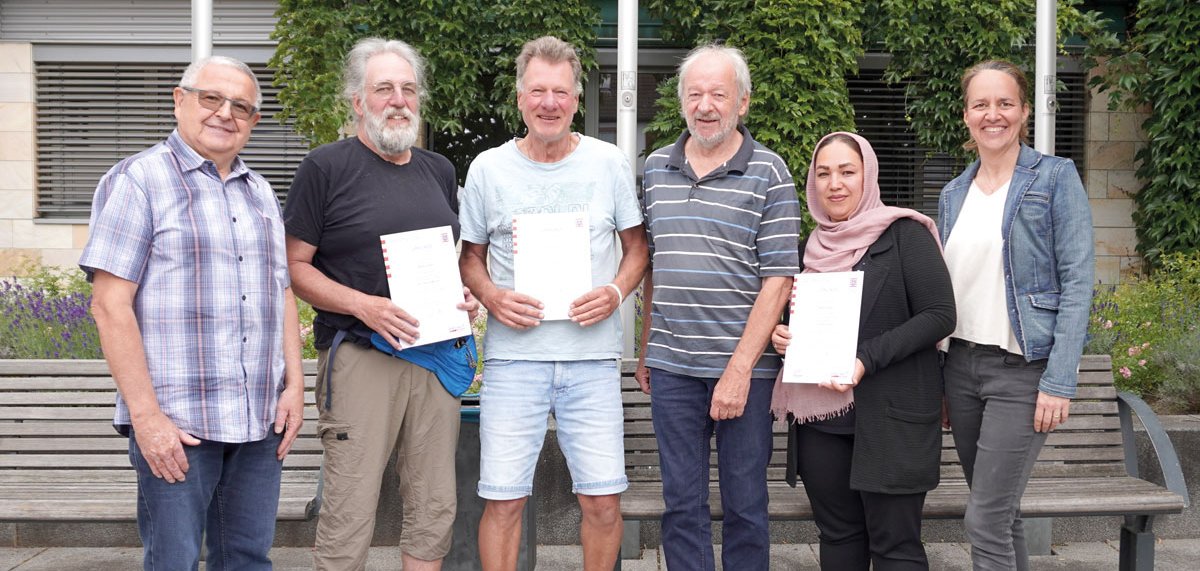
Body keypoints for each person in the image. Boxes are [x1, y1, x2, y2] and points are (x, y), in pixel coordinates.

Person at [81, 55, 305, 570]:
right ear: (180, 100)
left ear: (253, 123)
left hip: (257, 421)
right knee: (173, 561)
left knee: (247, 559)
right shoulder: (138, 182)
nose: (226, 113)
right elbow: (109, 306)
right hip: (180, 425)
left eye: (242, 107)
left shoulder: (261, 192)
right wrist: (147, 419)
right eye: (212, 98)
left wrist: (294, 386)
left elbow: (283, 292)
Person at [283, 38, 477, 571]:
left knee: (434, 503)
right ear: (357, 101)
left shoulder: (438, 169)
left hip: (434, 357)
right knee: (350, 506)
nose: (398, 100)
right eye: (384, 88)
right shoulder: (324, 168)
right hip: (362, 355)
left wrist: (461, 298)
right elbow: (294, 266)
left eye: (408, 89)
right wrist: (364, 305)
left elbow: (447, 261)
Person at [458, 35, 649, 571]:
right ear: (519, 98)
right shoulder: (487, 169)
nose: (549, 102)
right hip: (514, 359)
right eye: (537, 91)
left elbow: (637, 250)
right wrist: (492, 296)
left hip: (590, 361)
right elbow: (469, 257)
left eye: (560, 92)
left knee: (603, 501)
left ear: (576, 98)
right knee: (503, 498)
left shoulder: (607, 163)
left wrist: (614, 292)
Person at [637, 44, 802, 570]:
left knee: (746, 505)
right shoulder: (654, 169)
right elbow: (654, 267)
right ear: (681, 101)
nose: (706, 105)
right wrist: (646, 350)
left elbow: (778, 280)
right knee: (681, 505)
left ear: (743, 102)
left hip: (745, 372)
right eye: (695, 93)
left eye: (718, 94)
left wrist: (738, 368)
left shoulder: (770, 173)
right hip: (672, 369)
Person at [770, 132, 956, 570]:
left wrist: (864, 359)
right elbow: (801, 325)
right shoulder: (807, 251)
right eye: (824, 173)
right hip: (823, 423)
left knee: (896, 548)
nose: (835, 183)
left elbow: (939, 315)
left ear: (867, 176)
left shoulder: (906, 234)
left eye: (847, 171)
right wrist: (783, 337)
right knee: (837, 538)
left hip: (892, 415)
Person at [940, 60, 1094, 571]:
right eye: (981, 104)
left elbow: (1077, 284)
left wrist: (1059, 379)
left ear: (1024, 110)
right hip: (961, 370)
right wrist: (941, 379)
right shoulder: (952, 194)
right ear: (966, 115)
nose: (993, 114)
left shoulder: (1054, 178)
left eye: (1004, 103)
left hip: (1021, 374)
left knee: (983, 520)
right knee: (1002, 517)